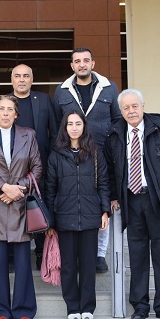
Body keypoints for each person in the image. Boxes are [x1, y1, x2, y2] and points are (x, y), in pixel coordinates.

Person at [104, 89, 160, 319]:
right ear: (120, 111)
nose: (131, 111)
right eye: (126, 108)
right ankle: (140, 306)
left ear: (143, 106)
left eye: (135, 106)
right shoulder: (115, 134)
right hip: (131, 201)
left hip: (158, 200)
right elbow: (110, 170)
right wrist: (113, 196)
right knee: (138, 256)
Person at [54, 47, 121, 274]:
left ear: (93, 63)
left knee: (103, 203)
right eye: (77, 61)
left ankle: (100, 254)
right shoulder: (62, 91)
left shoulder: (109, 88)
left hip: (103, 156)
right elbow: (57, 124)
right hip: (72, 157)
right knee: (79, 202)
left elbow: (117, 121)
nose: (81, 64)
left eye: (86, 60)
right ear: (72, 66)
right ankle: (77, 253)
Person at [0, 95, 42, 319]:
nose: (5, 113)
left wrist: (18, 189)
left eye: (10, 109)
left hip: (20, 203)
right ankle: (0, 310)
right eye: (1, 109)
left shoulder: (29, 134)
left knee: (23, 261)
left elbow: (37, 167)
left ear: (16, 114)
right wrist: (3, 187)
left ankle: (24, 308)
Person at [0, 64, 58, 269]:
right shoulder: (3, 103)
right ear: (11, 80)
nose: (22, 79)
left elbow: (54, 133)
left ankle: (40, 253)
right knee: (12, 213)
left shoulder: (44, 100)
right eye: (17, 76)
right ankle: (11, 255)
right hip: (9, 172)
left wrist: (51, 163)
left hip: (39, 168)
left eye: (26, 76)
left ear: (32, 79)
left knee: (38, 209)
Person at [44, 110, 110, 319]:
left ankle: (88, 307)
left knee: (89, 265)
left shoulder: (95, 153)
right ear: (64, 128)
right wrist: (50, 221)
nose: (74, 128)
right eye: (70, 124)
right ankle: (72, 307)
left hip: (91, 216)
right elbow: (50, 190)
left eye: (78, 123)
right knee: (69, 266)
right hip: (64, 218)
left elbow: (104, 184)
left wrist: (105, 210)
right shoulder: (56, 155)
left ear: (84, 127)